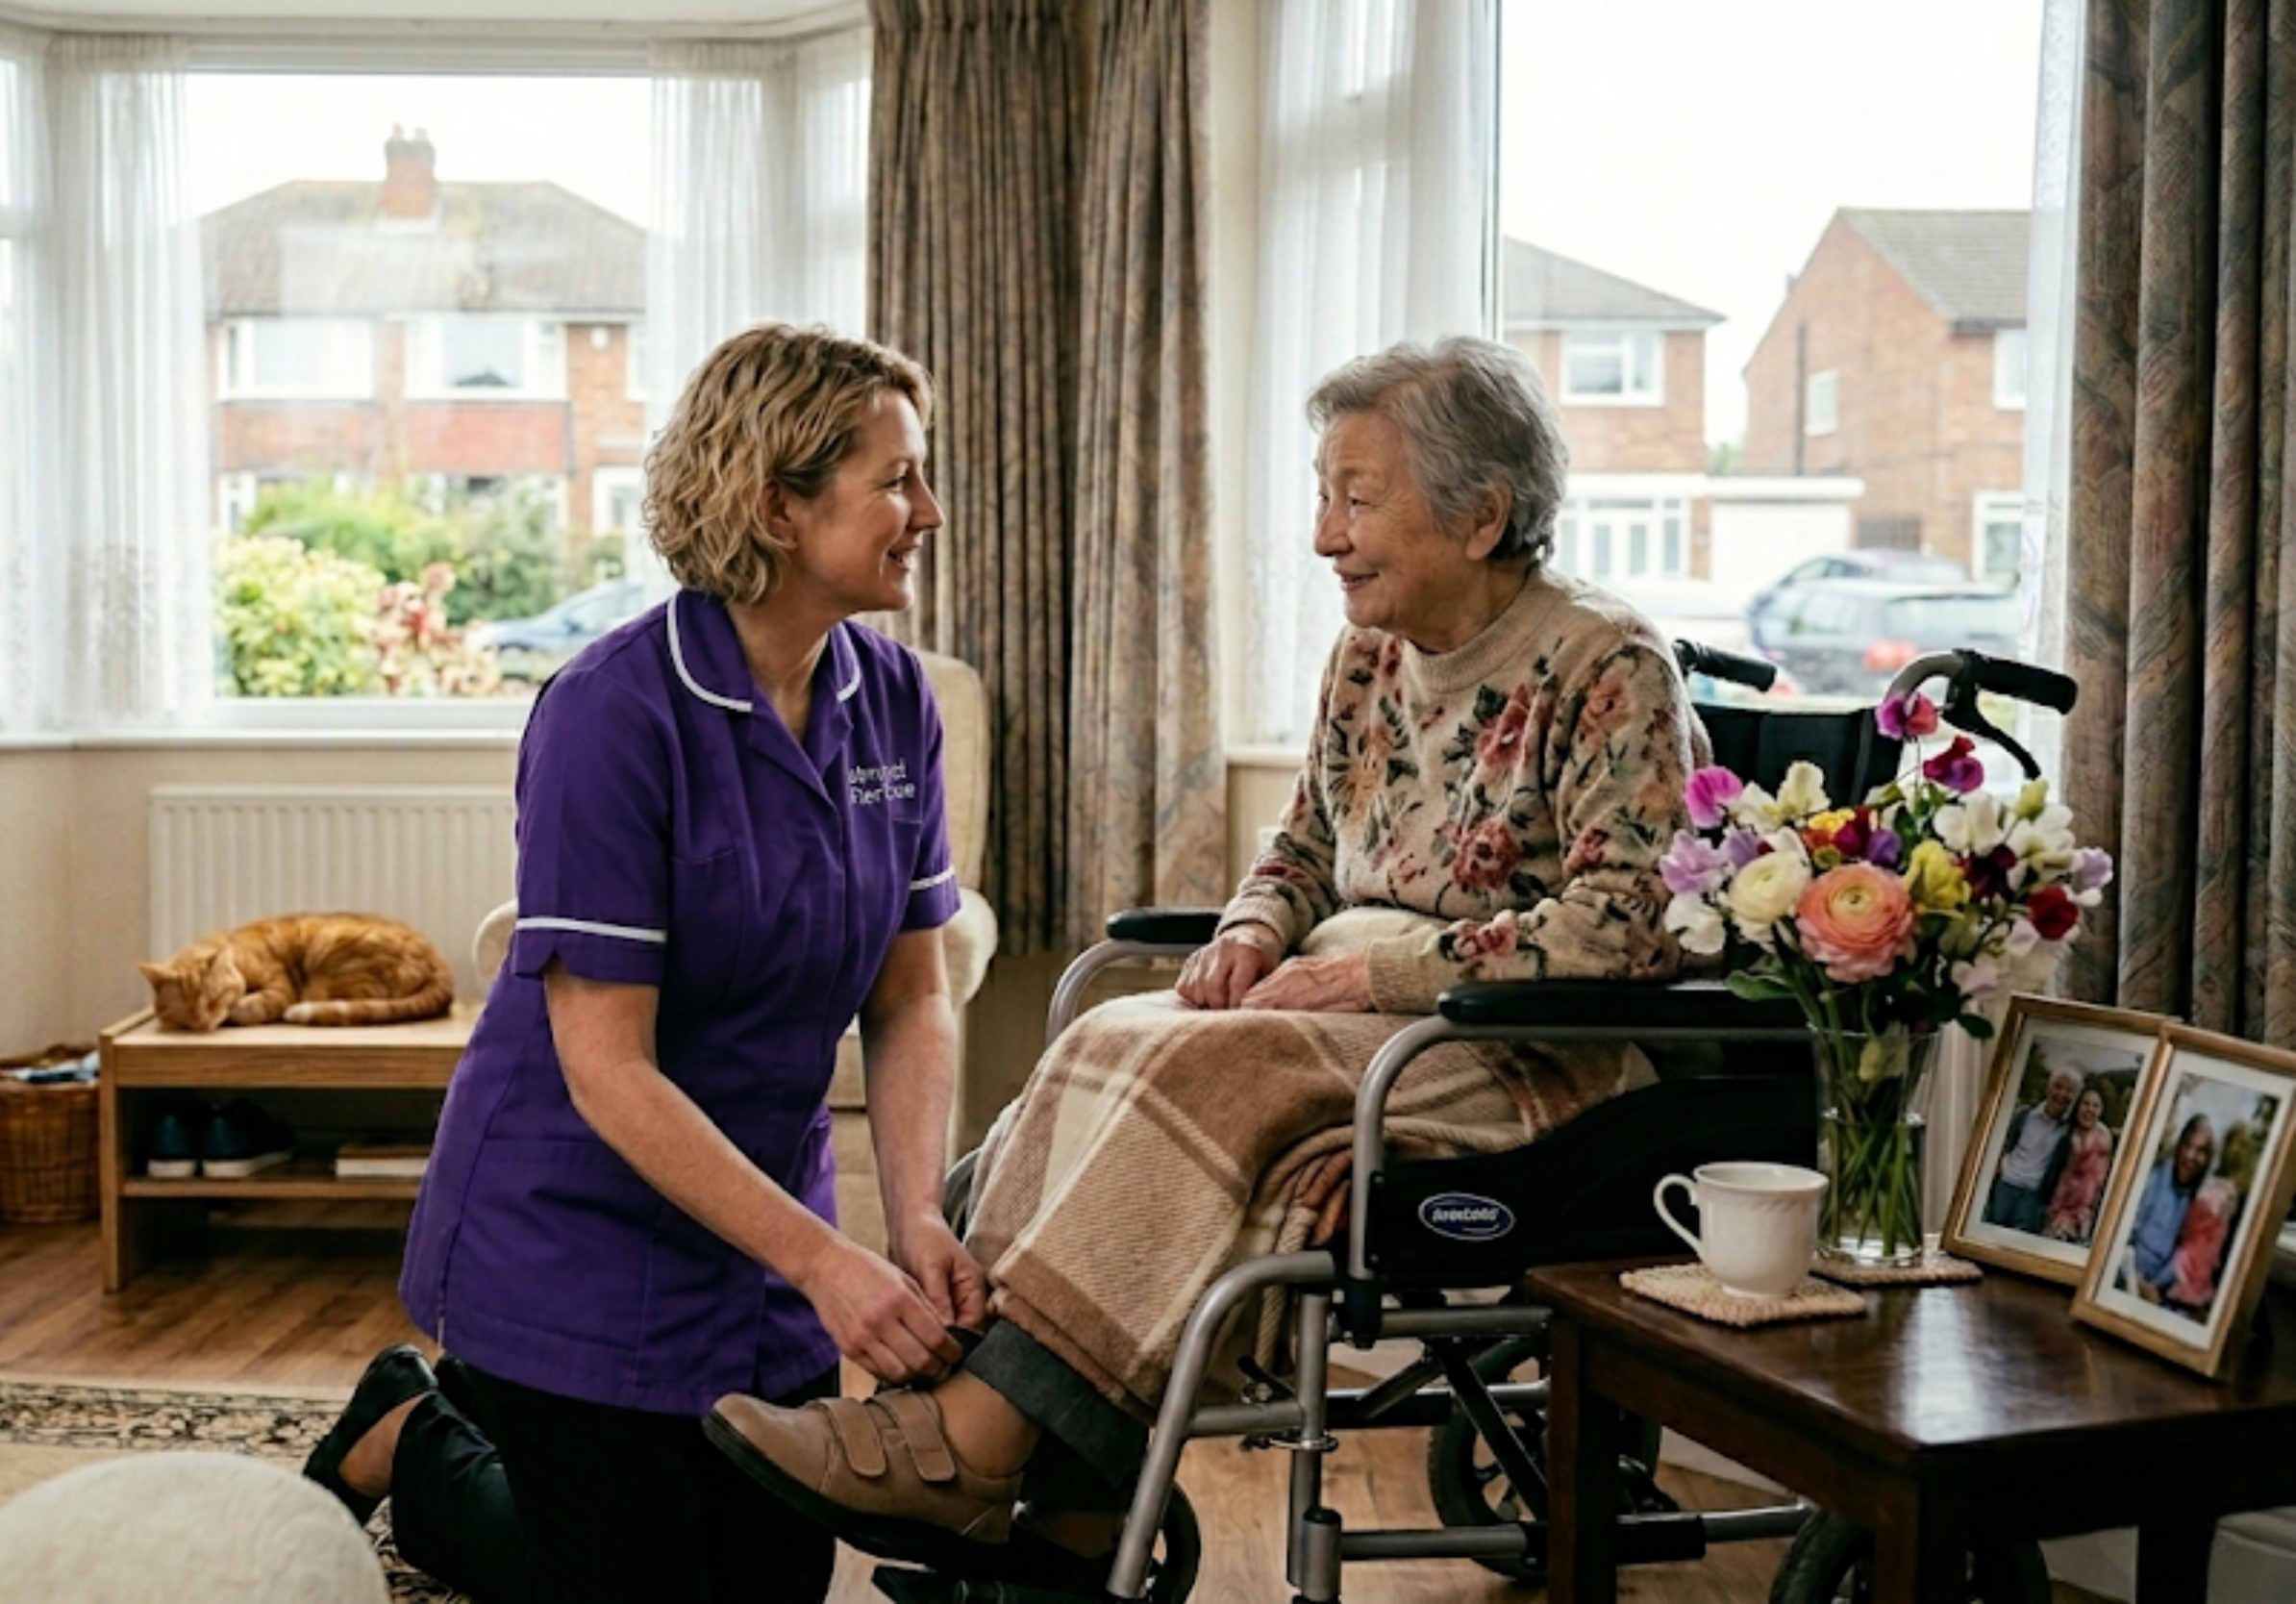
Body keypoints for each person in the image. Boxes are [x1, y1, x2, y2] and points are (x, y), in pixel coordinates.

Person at [708, 336, 1705, 1579]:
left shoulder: (1607, 663)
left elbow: (1636, 919)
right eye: (1323, 496)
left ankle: (970, 1445)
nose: (1325, 537)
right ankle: (1066, 1504)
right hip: (1350, 1020)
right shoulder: (1368, 653)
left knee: (1203, 1073)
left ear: (1482, 514)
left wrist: (1375, 975)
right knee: (1106, 1034)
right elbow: (1305, 845)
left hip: (1511, 1044)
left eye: (1356, 499)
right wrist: (1251, 930)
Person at [297, 322, 984, 1603]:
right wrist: (828, 1265)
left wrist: (913, 1221)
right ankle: (413, 1429)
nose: (928, 512)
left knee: (769, 1591)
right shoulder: (610, 711)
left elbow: (911, 995)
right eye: (897, 480)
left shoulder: (896, 702)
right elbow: (607, 1070)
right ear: (779, 505)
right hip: (570, 1233)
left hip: (764, 1231)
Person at [2122, 1112, 2217, 1304]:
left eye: (2200, 1151)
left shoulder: (2202, 1199)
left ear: (2207, 1159)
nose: (2190, 1156)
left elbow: (2187, 1254)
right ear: (2179, 1146)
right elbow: (2126, 1234)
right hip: (2127, 1271)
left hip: (2161, 1289)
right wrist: (2135, 1280)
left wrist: (2155, 1286)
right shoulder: (2155, 1178)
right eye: (2187, 1146)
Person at [1984, 1065, 2083, 1233]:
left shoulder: (2068, 1130)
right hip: (2006, 1184)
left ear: (2074, 1097)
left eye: (2069, 1090)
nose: (2062, 1094)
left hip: (2033, 1194)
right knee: (1988, 1232)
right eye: (2058, 1086)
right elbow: (2002, 1141)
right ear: (2048, 1088)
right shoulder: (2024, 1115)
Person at [2041, 1085, 2115, 1244]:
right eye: (2085, 1104)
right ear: (2077, 1107)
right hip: (2059, 1210)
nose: (2089, 1109)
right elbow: (2052, 1176)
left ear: (2101, 1111)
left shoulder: (2105, 1141)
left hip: (2088, 1216)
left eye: (2095, 1106)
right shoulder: (2065, 1136)